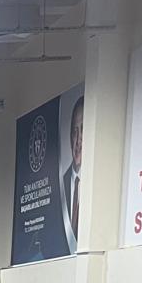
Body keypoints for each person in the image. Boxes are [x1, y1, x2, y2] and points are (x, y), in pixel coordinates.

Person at [61, 94, 85, 255]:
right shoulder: (60, 186)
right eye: (75, 132)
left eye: (83, 130)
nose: (78, 141)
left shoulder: (101, 186)